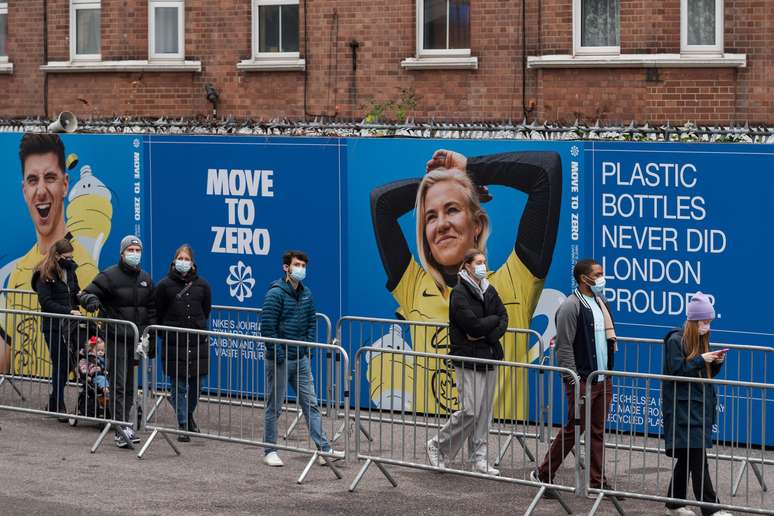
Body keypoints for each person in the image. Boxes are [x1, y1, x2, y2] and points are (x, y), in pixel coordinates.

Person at [369, 149, 561, 418]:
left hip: (500, 449)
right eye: (431, 217)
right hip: (433, 453)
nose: (442, 224)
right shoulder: (413, 288)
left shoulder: (516, 281)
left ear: (478, 225)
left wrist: (469, 169)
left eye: (452, 209)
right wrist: (448, 182)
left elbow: (545, 170)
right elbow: (381, 203)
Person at [0, 133, 105, 378]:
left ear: (65, 184)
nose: (41, 190)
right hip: (27, 399)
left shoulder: (84, 267)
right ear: (24, 190)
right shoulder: (20, 269)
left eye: (50, 178)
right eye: (33, 180)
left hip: (69, 388)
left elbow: (95, 347)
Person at [531, 259, 617, 492]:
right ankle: (543, 473)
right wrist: (573, 380)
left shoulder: (601, 303)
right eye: (597, 274)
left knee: (597, 431)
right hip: (582, 380)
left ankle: (597, 482)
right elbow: (564, 345)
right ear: (583, 278)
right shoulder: (571, 306)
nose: (601, 278)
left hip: (602, 378)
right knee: (573, 429)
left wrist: (607, 376)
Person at [427, 249, 508, 475]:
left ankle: (479, 459)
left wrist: (488, 332)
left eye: (485, 261)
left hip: (490, 354)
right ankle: (438, 445)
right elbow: (472, 327)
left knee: (484, 412)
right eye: (479, 262)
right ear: (467, 266)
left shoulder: (489, 289)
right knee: (471, 410)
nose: (483, 265)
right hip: (468, 357)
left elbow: (504, 317)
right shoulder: (459, 293)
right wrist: (489, 324)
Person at [78, 235, 155, 448]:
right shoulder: (109, 275)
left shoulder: (146, 278)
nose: (134, 253)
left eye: (137, 250)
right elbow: (84, 293)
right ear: (122, 253)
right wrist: (92, 301)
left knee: (131, 385)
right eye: (130, 250)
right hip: (117, 339)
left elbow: (151, 309)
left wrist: (152, 335)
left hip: (137, 341)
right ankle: (120, 429)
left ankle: (126, 425)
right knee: (119, 384)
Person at [261, 250, 335, 467]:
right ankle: (269, 450)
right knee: (274, 406)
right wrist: (280, 354)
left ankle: (324, 449)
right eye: (296, 265)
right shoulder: (275, 294)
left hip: (301, 359)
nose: (300, 269)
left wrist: (308, 349)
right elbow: (267, 328)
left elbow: (311, 322)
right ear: (286, 267)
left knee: (311, 404)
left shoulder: (307, 294)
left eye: (303, 265)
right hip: (280, 360)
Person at [662, 293, 731, 516]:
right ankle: (710, 509)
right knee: (698, 461)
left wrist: (716, 362)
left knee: (687, 458)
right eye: (704, 321)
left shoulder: (702, 340)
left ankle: (674, 504)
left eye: (709, 322)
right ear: (693, 321)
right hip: (683, 410)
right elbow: (677, 370)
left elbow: (704, 373)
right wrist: (703, 359)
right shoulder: (675, 341)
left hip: (699, 408)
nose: (707, 326)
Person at [155, 244, 212, 443]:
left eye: (187, 258)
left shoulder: (203, 285)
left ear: (193, 262)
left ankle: (187, 415)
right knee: (178, 385)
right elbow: (158, 313)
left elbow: (206, 310)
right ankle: (182, 425)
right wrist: (167, 333)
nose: (184, 262)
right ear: (174, 261)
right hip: (174, 343)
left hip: (197, 343)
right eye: (180, 258)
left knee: (197, 384)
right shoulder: (163, 285)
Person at [30, 238, 84, 419]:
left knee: (71, 360)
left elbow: (75, 292)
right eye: (67, 257)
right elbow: (46, 302)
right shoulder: (45, 273)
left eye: (71, 257)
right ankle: (58, 404)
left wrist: (83, 297)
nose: (70, 260)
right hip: (53, 325)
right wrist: (68, 311)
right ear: (58, 255)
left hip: (70, 325)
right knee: (60, 361)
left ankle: (54, 400)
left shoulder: (71, 270)